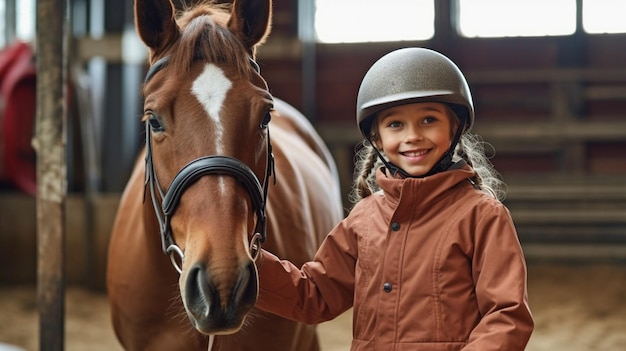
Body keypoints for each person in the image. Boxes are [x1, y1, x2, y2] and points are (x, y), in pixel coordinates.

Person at [255, 47, 534, 350]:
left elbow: (506, 315)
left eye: (429, 120)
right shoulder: (363, 219)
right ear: (378, 139)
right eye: (395, 124)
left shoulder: (483, 217)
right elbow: (313, 296)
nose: (412, 135)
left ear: (455, 127)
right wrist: (247, 259)